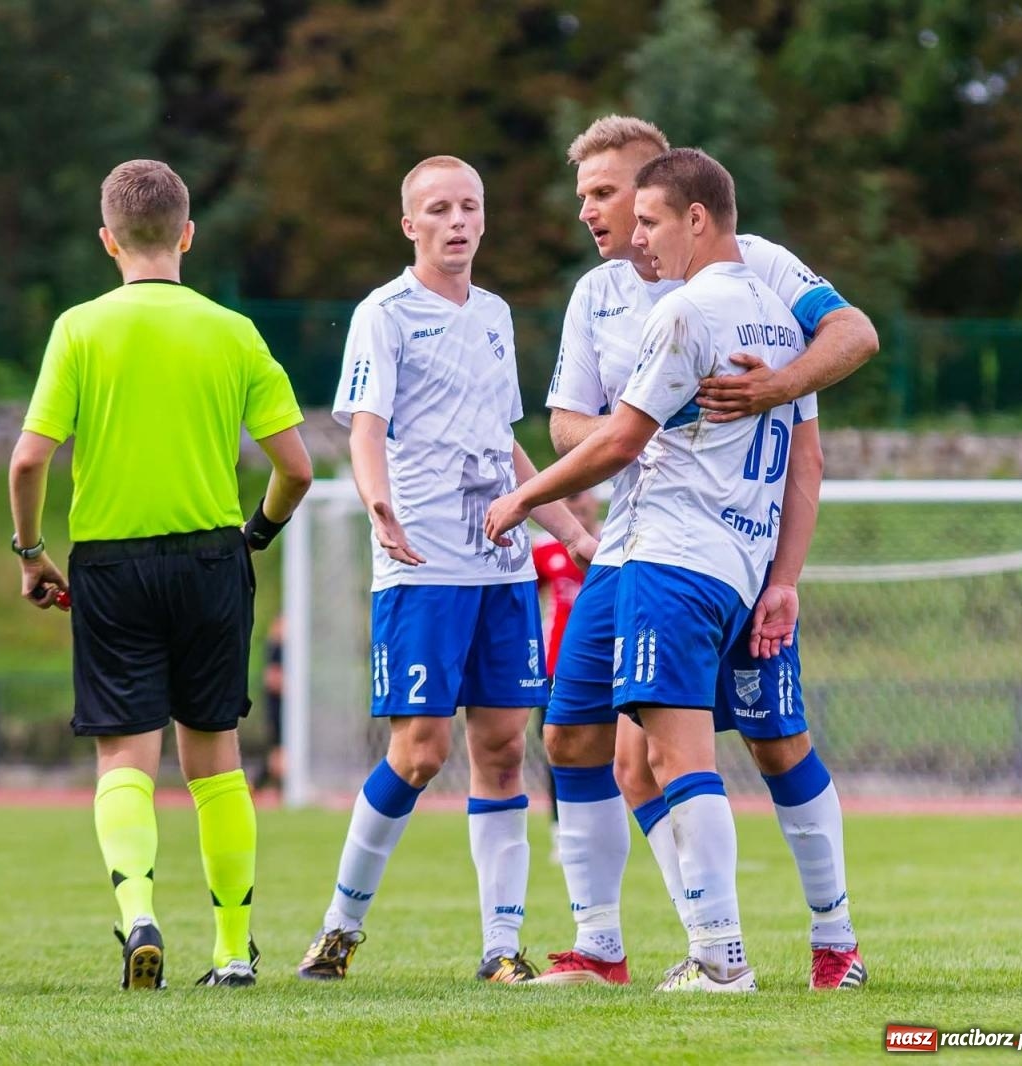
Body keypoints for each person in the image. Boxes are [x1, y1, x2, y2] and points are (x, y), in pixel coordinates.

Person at [532, 116, 871, 992]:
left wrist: (773, 388)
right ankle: (612, 945)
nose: (596, 217)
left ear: (673, 197)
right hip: (632, 545)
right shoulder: (599, 294)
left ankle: (826, 943)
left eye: (608, 196)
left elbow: (847, 353)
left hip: (712, 552)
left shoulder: (756, 271)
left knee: (772, 744)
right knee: (584, 741)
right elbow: (570, 422)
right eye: (588, 199)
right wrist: (642, 421)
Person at [9, 159, 311, 990]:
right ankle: (232, 951)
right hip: (213, 555)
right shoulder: (232, 331)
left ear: (108, 240)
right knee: (215, 759)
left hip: (110, 563)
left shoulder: (79, 328)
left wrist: (32, 553)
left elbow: (29, 459)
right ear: (187, 235)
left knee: (125, 761)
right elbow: (296, 467)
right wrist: (259, 531)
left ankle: (138, 910)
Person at [297, 156, 597, 986]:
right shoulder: (384, 314)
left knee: (503, 751)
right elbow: (364, 426)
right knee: (420, 753)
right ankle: (339, 927)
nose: (458, 220)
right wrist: (376, 503)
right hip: (421, 564)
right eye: (439, 208)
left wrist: (567, 526)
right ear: (410, 225)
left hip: (501, 569)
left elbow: (504, 442)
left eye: (470, 206)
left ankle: (501, 948)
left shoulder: (496, 315)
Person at [532, 489, 602, 855]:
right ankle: (562, 828)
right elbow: (526, 599)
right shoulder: (545, 549)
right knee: (557, 747)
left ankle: (609, 825)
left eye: (583, 498)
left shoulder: (615, 540)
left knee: (617, 749)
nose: (578, 505)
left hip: (610, 663)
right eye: (570, 500)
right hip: (556, 665)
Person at [255, 616, 286, 793]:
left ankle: (263, 786)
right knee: (278, 751)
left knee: (279, 752)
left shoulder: (287, 650)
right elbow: (271, 678)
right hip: (277, 708)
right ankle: (256, 784)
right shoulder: (275, 648)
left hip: (285, 709)